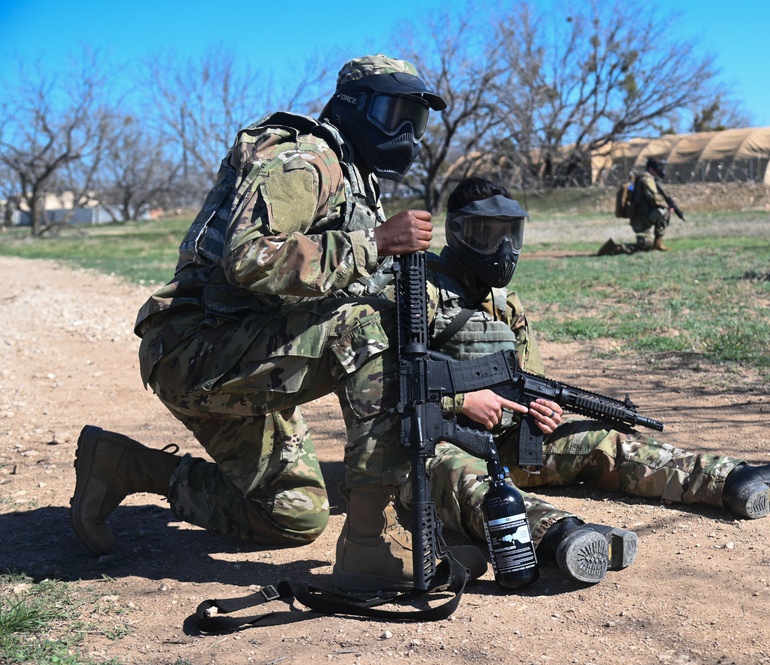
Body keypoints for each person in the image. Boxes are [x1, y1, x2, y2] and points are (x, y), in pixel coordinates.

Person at [69, 55, 487, 589]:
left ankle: (127, 467)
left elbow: (342, 283)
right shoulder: (309, 161)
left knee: (295, 515)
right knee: (366, 328)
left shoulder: (355, 180)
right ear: (353, 108)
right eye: (393, 113)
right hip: (197, 350)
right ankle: (368, 547)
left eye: (415, 119)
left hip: (248, 356)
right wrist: (376, 244)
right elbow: (246, 258)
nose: (405, 132)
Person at [402, 176, 770, 584]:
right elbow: (381, 384)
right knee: (469, 482)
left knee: (605, 441)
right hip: (432, 448)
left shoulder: (504, 304)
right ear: (457, 232)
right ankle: (563, 535)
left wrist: (542, 410)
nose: (503, 248)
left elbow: (528, 376)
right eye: (486, 235)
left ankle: (733, 480)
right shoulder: (419, 291)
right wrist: (461, 402)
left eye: (511, 234)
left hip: (508, 444)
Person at [599, 157, 680, 255]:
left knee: (663, 212)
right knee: (645, 245)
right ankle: (615, 248)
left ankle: (657, 244)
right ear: (651, 168)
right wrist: (666, 205)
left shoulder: (640, 178)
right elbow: (653, 197)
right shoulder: (646, 179)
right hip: (640, 218)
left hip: (641, 216)